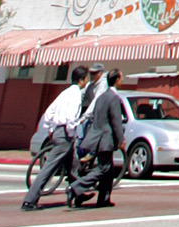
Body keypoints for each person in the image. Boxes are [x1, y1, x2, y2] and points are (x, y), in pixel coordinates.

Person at [22, 67, 88, 209]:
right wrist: (70, 133)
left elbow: (49, 112)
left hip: (59, 131)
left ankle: (78, 193)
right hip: (65, 134)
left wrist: (51, 129)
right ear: (82, 79)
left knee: (73, 165)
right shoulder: (76, 95)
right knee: (49, 168)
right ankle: (30, 200)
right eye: (86, 78)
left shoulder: (64, 93)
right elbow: (71, 118)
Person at [78, 67, 128, 205]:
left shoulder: (101, 97)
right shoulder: (113, 98)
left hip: (98, 138)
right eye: (121, 78)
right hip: (105, 139)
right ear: (117, 80)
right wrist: (121, 140)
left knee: (108, 171)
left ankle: (104, 199)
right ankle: (76, 187)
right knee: (103, 168)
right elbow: (116, 121)